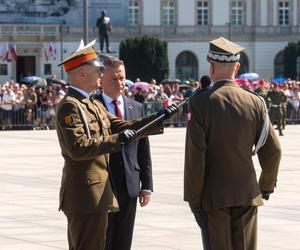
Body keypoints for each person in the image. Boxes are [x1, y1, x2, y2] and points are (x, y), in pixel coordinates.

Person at [55, 41, 178, 250]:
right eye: (98, 71)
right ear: (82, 74)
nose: (101, 76)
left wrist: (159, 118)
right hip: (84, 197)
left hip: (98, 195)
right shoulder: (70, 106)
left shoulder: (92, 104)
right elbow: (78, 147)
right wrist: (117, 140)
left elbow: (124, 126)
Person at [184, 37, 281, 250]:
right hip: (247, 193)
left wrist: (193, 197)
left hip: (213, 195)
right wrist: (264, 186)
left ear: (211, 66)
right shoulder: (255, 102)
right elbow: (273, 150)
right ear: (237, 67)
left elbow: (196, 155)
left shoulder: (200, 102)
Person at [93, 57, 152, 250]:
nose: (120, 83)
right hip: (104, 184)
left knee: (124, 240)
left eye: (122, 78)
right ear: (100, 79)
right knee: (104, 239)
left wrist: (147, 185)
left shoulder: (136, 107)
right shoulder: (92, 106)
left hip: (130, 183)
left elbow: (143, 148)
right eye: (114, 79)